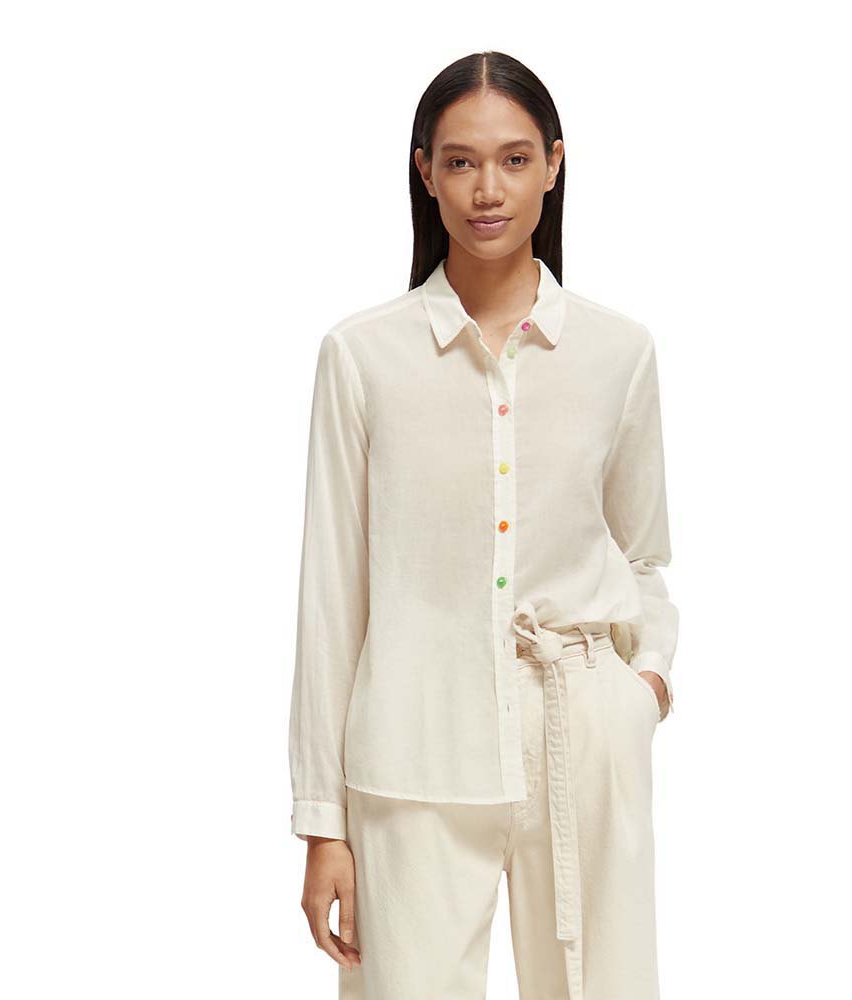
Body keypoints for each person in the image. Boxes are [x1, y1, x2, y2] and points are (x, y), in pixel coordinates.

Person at [288, 50, 678, 1000]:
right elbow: (333, 596)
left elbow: (643, 553)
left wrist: (646, 687)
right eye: (460, 162)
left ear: (554, 164)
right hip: (410, 748)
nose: (487, 190)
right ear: (425, 172)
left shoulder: (618, 352)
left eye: (513, 159)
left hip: (584, 738)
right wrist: (322, 822)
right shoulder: (362, 357)